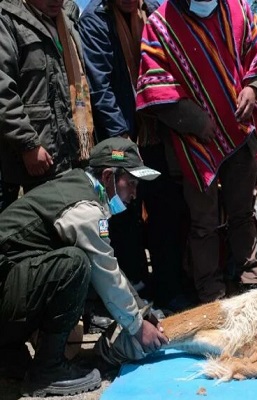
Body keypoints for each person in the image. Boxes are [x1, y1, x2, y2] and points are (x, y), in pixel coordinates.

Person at [0, 138, 167, 396]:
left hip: (10, 282)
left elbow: (108, 266)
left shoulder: (80, 188)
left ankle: (9, 353)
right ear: (109, 175)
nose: (135, 194)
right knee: (74, 265)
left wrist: (141, 311)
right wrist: (136, 326)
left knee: (78, 265)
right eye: (131, 184)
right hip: (5, 288)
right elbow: (106, 273)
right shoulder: (85, 209)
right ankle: (48, 371)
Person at [136, 0, 257, 303]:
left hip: (239, 133)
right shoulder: (160, 24)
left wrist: (253, 89)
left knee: (242, 213)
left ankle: (249, 281)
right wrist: (195, 120)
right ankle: (209, 291)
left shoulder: (238, 10)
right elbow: (154, 87)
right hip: (194, 143)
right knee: (203, 223)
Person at [79, 0, 191, 312]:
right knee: (125, 217)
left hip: (157, 133)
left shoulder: (155, 11)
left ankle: (169, 288)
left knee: (165, 210)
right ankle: (138, 292)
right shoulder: (94, 20)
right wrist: (124, 143)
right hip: (122, 139)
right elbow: (100, 88)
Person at [0, 0, 95, 212]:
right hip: (41, 154)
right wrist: (28, 143)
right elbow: (3, 90)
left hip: (76, 150)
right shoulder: (8, 19)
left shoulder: (68, 20)